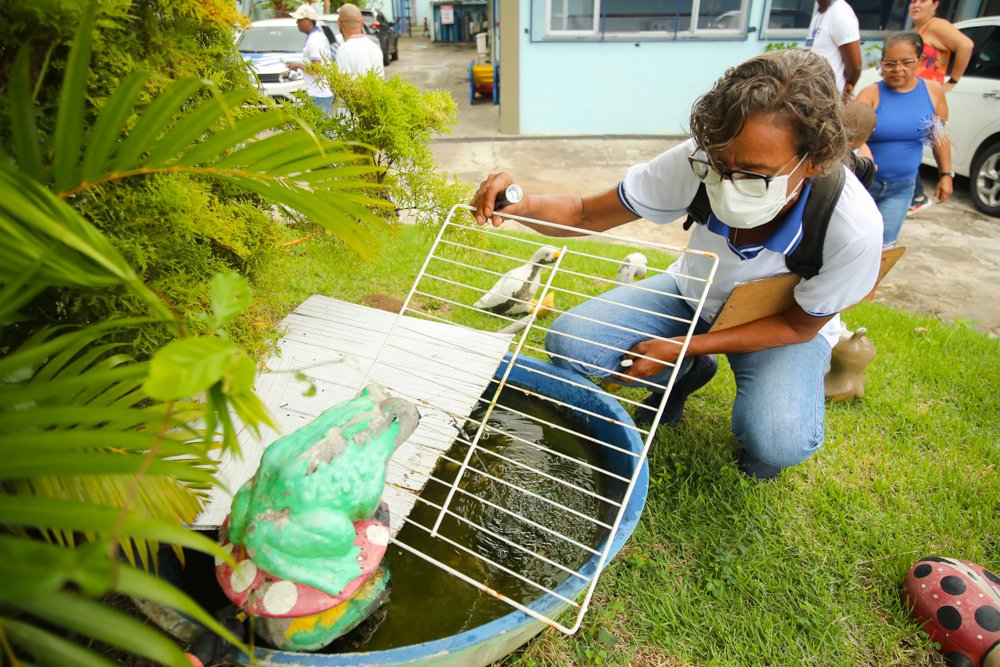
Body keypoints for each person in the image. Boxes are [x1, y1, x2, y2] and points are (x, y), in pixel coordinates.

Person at [471, 49, 883, 481]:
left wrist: (683, 346)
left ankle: (756, 428)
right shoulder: (701, 157)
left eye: (753, 174)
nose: (727, 184)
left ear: (813, 162)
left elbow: (798, 327)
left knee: (777, 437)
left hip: (779, 325)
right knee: (572, 344)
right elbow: (585, 213)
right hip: (694, 297)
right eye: (720, 166)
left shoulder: (852, 227)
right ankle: (686, 375)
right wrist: (522, 203)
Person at [857, 31, 952, 246]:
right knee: (854, 244)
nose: (898, 69)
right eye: (890, 64)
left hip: (901, 188)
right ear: (882, 63)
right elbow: (852, 136)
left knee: (884, 246)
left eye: (906, 62)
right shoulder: (870, 94)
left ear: (919, 60)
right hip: (864, 184)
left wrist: (946, 174)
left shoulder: (933, 92)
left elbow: (938, 136)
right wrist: (863, 148)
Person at [906, 0, 974, 213]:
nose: (916, 5)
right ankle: (914, 194)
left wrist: (952, 81)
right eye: (913, 1)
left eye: (923, 0)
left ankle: (917, 195)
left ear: (935, 4)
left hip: (926, 99)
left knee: (918, 140)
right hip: (912, 97)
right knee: (909, 143)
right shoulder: (917, 29)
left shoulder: (936, 25)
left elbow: (966, 45)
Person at [805, 0, 862, 98]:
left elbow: (855, 67)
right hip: (812, 98)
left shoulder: (841, 13)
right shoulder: (819, 15)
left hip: (828, 100)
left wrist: (847, 87)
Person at [286, 4, 335, 116]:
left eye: (299, 20)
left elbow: (317, 69)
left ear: (308, 21)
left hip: (318, 94)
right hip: (319, 93)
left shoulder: (314, 40)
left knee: (318, 126)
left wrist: (297, 65)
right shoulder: (316, 37)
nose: (297, 23)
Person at [336, 4, 385, 78]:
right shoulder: (375, 48)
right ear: (362, 23)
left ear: (339, 23)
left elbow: (342, 83)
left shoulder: (343, 50)